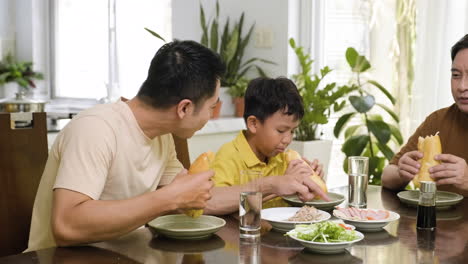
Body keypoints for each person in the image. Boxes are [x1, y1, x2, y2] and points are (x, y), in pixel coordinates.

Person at [26, 40, 225, 251]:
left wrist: (256, 188)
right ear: (184, 108)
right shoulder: (96, 129)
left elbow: (187, 196)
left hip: (124, 254)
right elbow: (66, 226)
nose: (210, 117)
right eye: (211, 107)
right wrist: (172, 197)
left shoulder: (162, 136)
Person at [204, 77, 329, 215]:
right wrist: (274, 185)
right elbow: (211, 202)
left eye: (292, 131)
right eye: (281, 131)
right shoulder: (229, 155)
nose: (288, 139)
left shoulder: (284, 159)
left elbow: (305, 203)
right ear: (253, 124)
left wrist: (312, 182)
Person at [382, 34, 468, 195]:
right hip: (432, 218)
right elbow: (387, 175)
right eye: (456, 75)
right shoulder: (438, 120)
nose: (462, 86)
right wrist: (401, 172)